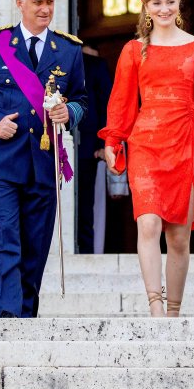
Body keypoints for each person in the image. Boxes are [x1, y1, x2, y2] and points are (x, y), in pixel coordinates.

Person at [0, 0, 88, 318]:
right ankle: (11, 318)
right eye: (37, 2)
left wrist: (68, 113)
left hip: (44, 162)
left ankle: (26, 317)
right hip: (0, 161)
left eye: (49, 3)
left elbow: (82, 100)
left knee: (35, 246)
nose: (44, 9)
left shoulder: (69, 50)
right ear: (20, 3)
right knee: (7, 238)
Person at [99, 0, 194, 317]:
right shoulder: (133, 50)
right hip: (146, 145)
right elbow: (122, 101)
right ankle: (156, 308)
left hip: (184, 144)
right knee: (149, 223)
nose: (164, 8)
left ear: (179, 3)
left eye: (170, 1)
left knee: (179, 237)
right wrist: (114, 139)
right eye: (157, 3)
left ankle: (174, 311)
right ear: (146, 7)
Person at [77, 45, 113, 255]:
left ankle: (86, 253)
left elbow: (107, 103)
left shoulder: (95, 64)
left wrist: (103, 144)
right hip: (49, 144)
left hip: (88, 147)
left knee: (85, 206)